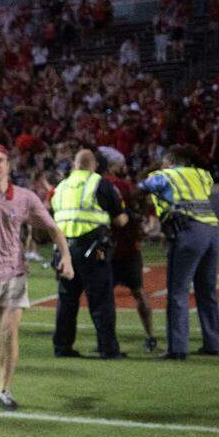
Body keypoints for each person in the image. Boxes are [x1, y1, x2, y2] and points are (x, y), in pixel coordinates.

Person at [0, 144, 73, 410]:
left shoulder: (25, 198)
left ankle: (4, 390)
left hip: (14, 274)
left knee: (9, 331)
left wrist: (66, 256)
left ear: (8, 165)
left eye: (0, 161)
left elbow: (54, 228)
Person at [137, 144, 219, 359]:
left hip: (188, 231)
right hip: (212, 231)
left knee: (177, 292)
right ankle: (214, 342)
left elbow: (141, 187)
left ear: (169, 161)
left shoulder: (163, 175)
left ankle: (177, 348)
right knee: (207, 291)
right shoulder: (202, 175)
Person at [50, 150, 127, 359]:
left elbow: (52, 218)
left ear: (74, 165)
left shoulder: (61, 187)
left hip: (65, 250)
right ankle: (108, 349)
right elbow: (120, 220)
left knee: (67, 301)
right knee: (101, 301)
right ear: (94, 165)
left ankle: (62, 347)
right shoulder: (99, 184)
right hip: (93, 250)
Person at [104, 162, 158, 352]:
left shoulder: (99, 185)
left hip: (111, 248)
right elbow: (142, 211)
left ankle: (108, 341)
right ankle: (150, 336)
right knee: (138, 291)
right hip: (129, 248)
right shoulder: (127, 187)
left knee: (105, 296)